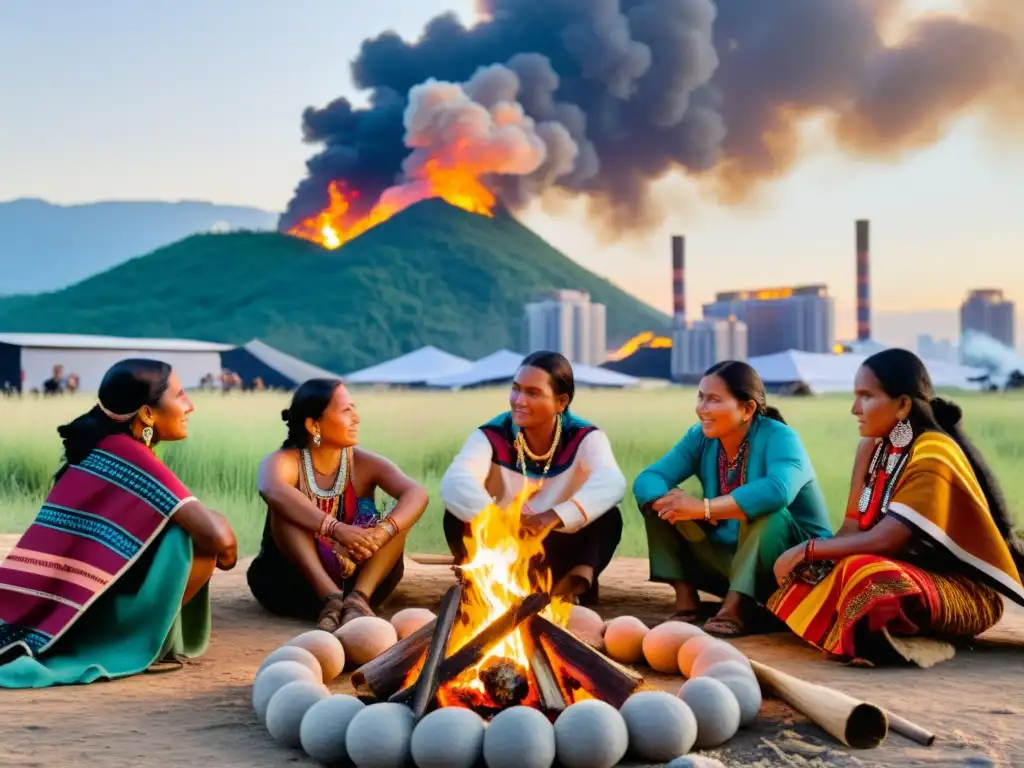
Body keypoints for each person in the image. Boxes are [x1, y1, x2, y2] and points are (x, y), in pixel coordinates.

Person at [769, 349, 1024, 665]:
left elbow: (886, 540)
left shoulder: (934, 451)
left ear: (903, 404)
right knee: (815, 574)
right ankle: (872, 632)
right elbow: (852, 526)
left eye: (866, 396)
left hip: (961, 591)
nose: (854, 409)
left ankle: (880, 632)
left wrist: (807, 549)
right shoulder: (873, 450)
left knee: (866, 575)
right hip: (897, 570)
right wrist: (813, 562)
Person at [0, 359, 238, 688]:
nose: (190, 405)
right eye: (181, 394)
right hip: (83, 620)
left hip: (65, 606)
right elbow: (222, 542)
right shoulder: (128, 454)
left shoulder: (105, 446)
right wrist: (218, 533)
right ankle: (134, 640)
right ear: (147, 414)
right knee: (187, 536)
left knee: (177, 522)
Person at [633, 361, 833, 636]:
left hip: (793, 566)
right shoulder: (700, 438)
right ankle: (686, 598)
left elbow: (777, 491)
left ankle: (737, 606)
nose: (702, 408)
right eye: (700, 397)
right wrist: (670, 501)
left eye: (714, 400)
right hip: (731, 559)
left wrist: (706, 509)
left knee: (766, 511)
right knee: (663, 502)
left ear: (747, 409)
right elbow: (649, 478)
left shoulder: (780, 437)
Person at [440, 351, 626, 604]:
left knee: (608, 517)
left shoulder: (584, 436)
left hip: (557, 544)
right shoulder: (492, 434)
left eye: (533, 393)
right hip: (505, 543)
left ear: (561, 402)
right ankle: (490, 583)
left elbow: (611, 481)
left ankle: (568, 587)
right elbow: (456, 482)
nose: (519, 401)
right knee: (455, 516)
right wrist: (500, 520)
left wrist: (552, 517)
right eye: (516, 389)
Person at [247, 379, 427, 631]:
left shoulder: (364, 464)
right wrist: (335, 528)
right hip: (294, 584)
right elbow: (271, 488)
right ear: (313, 425)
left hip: (361, 582)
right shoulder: (286, 461)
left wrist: (381, 532)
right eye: (346, 410)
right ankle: (330, 598)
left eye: (354, 408)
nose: (356, 418)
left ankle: (357, 601)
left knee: (399, 519)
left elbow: (416, 493)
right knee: (286, 507)